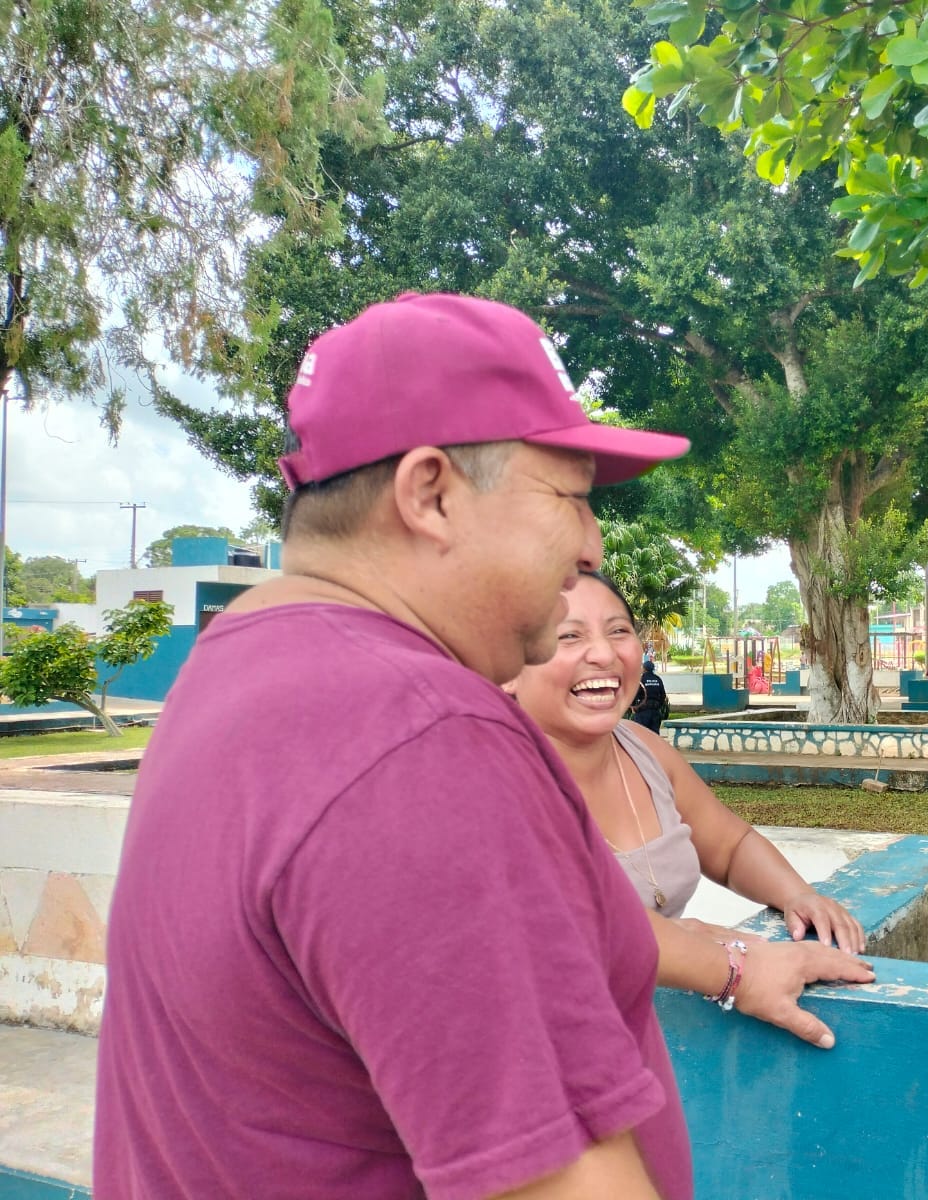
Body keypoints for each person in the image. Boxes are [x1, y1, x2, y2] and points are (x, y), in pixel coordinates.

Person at [96, 293, 698, 1199]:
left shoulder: (241, 670)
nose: (589, 544)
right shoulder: (422, 740)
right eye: (571, 498)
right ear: (431, 494)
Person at [508, 573, 873, 1049]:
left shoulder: (642, 748)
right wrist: (731, 968)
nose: (602, 653)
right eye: (568, 636)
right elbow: (574, 934)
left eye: (618, 631)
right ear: (507, 665)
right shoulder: (494, 780)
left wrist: (797, 895)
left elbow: (728, 845)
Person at [630, 658, 670, 732]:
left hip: (642, 712)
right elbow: (663, 695)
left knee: (641, 734)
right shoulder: (658, 679)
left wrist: (633, 707)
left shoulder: (641, 679)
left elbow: (635, 694)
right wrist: (658, 706)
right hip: (655, 711)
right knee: (654, 735)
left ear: (644, 669)